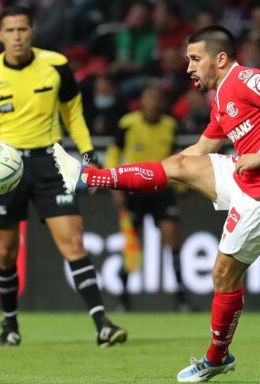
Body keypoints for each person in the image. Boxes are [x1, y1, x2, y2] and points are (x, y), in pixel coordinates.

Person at [53, 25, 260, 382]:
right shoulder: (220, 97)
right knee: (180, 164)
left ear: (220, 59)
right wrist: (164, 171)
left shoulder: (245, 78)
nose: (188, 67)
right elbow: (199, 151)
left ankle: (217, 357)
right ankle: (90, 177)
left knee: (222, 274)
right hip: (247, 179)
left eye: (195, 58)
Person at [0, 5, 127, 348]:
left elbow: (74, 115)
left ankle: (102, 323)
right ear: (0, 35)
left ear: (32, 32)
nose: (16, 37)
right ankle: (10, 325)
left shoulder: (56, 66)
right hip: (5, 170)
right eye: (10, 31)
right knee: (5, 253)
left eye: (22, 30)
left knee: (74, 243)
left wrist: (88, 157)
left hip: (50, 161)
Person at [105, 85, 192, 311]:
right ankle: (123, 299)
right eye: (149, 97)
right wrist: (114, 185)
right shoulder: (128, 124)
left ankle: (180, 298)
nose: (153, 102)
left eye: (157, 97)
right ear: (141, 101)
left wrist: (182, 191)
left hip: (162, 188)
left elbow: (178, 159)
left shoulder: (170, 125)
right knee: (132, 243)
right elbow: (114, 153)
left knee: (172, 237)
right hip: (134, 188)